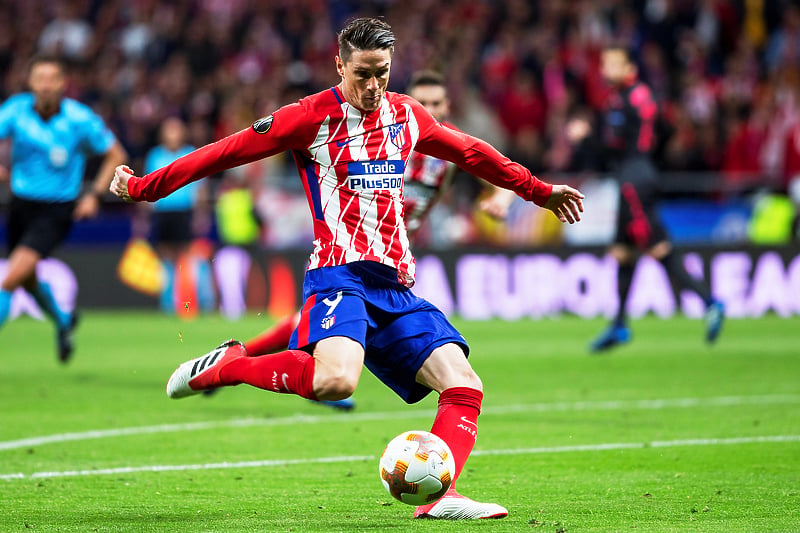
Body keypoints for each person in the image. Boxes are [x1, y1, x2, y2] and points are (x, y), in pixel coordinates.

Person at [110, 18, 583, 519]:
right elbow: (223, 153)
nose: (374, 86)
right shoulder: (307, 117)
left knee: (465, 386)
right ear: (339, 64)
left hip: (395, 285)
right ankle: (230, 366)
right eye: (362, 74)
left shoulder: (407, 115)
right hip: (338, 274)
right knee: (336, 382)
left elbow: (470, 152)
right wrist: (146, 188)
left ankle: (440, 497)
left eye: (382, 73)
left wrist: (538, 190)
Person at [240, 70, 515, 411]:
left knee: (321, 322)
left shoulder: (447, 147)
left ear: (447, 106)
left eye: (437, 103)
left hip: (394, 256)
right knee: (323, 320)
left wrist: (501, 200)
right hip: (351, 249)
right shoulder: (385, 134)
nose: (430, 108)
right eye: (423, 102)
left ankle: (244, 361)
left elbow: (497, 177)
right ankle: (246, 362)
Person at [575, 47, 724, 353]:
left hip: (633, 183)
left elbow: (614, 149)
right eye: (604, 63)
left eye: (612, 63)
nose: (605, 69)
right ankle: (618, 324)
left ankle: (711, 302)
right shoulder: (638, 97)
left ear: (629, 66)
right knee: (621, 252)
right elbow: (665, 132)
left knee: (657, 247)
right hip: (637, 176)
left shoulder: (626, 101)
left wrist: (585, 138)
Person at [0, 54, 127, 362]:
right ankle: (64, 321)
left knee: (10, 279)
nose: (45, 85)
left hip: (56, 210)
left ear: (62, 84)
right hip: (20, 206)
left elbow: (115, 154)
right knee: (27, 281)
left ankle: (61, 322)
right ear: (30, 82)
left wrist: (94, 195)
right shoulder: (15, 110)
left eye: (51, 79)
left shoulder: (79, 118)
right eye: (39, 79)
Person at [143, 117, 211, 314]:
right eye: (169, 130)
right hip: (163, 213)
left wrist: (201, 213)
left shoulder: (190, 153)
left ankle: (202, 301)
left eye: (176, 130)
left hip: (185, 212)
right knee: (166, 257)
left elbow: (201, 188)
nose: (172, 135)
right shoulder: (154, 156)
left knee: (190, 256)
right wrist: (145, 216)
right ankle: (168, 304)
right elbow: (148, 187)